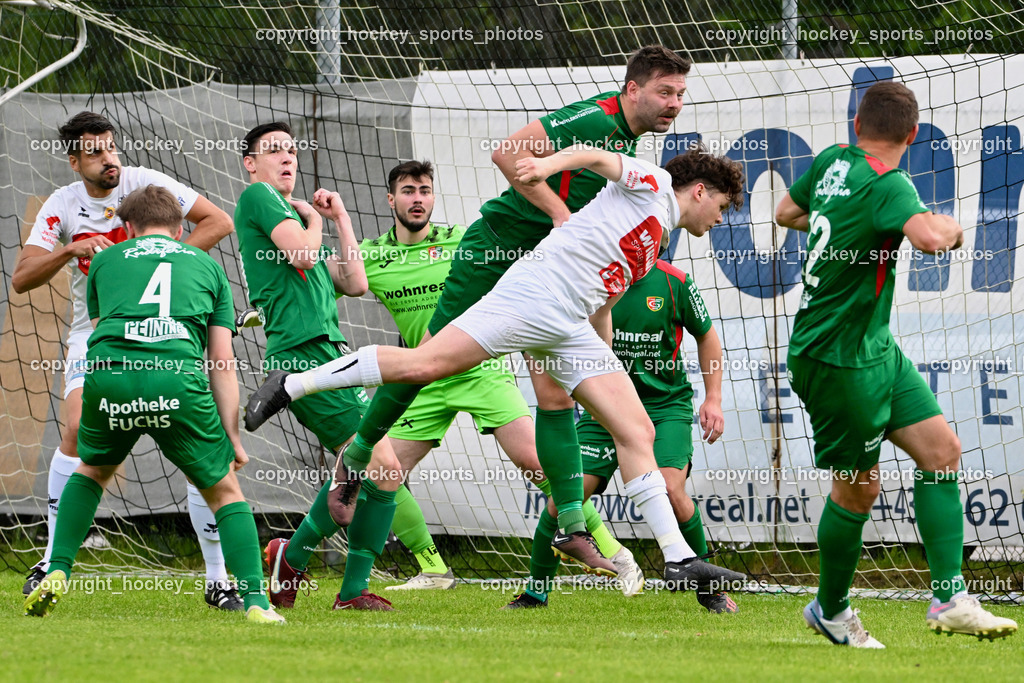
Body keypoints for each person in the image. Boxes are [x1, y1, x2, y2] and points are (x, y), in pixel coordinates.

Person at [263, 46, 694, 580]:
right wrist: (561, 215)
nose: (674, 104)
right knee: (422, 367)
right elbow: (509, 153)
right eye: (665, 92)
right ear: (632, 90)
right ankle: (354, 456)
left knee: (554, 399)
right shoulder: (595, 116)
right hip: (499, 254)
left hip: (545, 282)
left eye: (680, 94)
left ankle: (575, 528)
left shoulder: (631, 151)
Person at [246, 144, 749, 596]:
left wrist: (603, 350)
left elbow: (603, 296)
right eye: (723, 208)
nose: (720, 219)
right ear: (700, 191)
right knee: (424, 363)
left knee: (637, 429)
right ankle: (292, 384)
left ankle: (679, 560)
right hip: (534, 297)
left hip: (569, 322)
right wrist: (547, 167)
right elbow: (596, 157)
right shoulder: (656, 185)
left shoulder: (654, 238)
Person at [775, 81, 1018, 646]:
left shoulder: (835, 160)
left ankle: (950, 597)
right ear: (912, 134)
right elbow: (932, 238)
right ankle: (830, 609)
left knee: (943, 451)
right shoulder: (891, 183)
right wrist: (953, 230)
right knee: (857, 489)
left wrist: (841, 233)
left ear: (857, 125)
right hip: (836, 358)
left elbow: (788, 210)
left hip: (874, 348)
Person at [352, 160, 641, 591]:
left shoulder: (462, 241)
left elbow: (524, 275)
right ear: (391, 199)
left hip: (482, 371)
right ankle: (433, 569)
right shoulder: (371, 255)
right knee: (380, 471)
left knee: (538, 463)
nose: (418, 199)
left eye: (425, 190)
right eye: (409, 191)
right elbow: (329, 282)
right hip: (425, 377)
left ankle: (613, 553)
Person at [10, 111, 240, 609]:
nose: (108, 158)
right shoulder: (62, 205)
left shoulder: (146, 184)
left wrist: (158, 266)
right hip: (94, 332)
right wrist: (70, 249)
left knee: (201, 452)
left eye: (111, 146)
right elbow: (22, 277)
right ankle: (52, 561)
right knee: (75, 434)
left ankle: (219, 577)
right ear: (74, 161)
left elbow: (218, 220)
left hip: (165, 324)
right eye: (94, 151)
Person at [22, 186, 283, 624]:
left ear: (128, 228)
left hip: (110, 379)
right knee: (223, 490)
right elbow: (221, 361)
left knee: (92, 469)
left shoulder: (103, 261)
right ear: (181, 229)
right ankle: (256, 601)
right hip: (176, 382)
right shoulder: (207, 266)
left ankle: (57, 568)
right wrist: (232, 435)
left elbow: (104, 329)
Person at [234, 122, 402, 611]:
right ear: (251, 163)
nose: (287, 157)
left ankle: (293, 558)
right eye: (274, 150)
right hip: (300, 355)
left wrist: (341, 217)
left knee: (375, 471)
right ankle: (348, 590)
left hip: (331, 354)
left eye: (292, 150)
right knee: (383, 468)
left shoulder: (294, 215)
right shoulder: (260, 198)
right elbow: (304, 254)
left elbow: (354, 281)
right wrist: (315, 222)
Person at [569, 254, 737, 613]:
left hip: (665, 407)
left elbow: (707, 337)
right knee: (564, 496)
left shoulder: (676, 282)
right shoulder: (590, 277)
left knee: (671, 487)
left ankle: (710, 590)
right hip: (607, 406)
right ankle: (535, 592)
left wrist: (714, 398)